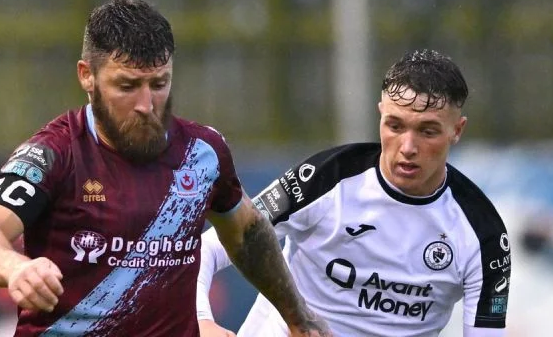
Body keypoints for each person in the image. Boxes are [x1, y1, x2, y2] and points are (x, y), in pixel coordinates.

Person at [0, 0, 331, 337]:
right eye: (128, 86)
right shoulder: (54, 154)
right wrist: (15, 268)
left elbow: (247, 235)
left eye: (159, 84)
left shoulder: (202, 153)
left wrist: (298, 318)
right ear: (87, 76)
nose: (146, 105)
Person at [197, 49, 511, 337]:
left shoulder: (484, 234)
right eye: (395, 126)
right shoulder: (324, 179)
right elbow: (207, 248)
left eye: (427, 131)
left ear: (457, 130)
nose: (407, 147)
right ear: (380, 114)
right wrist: (201, 321)